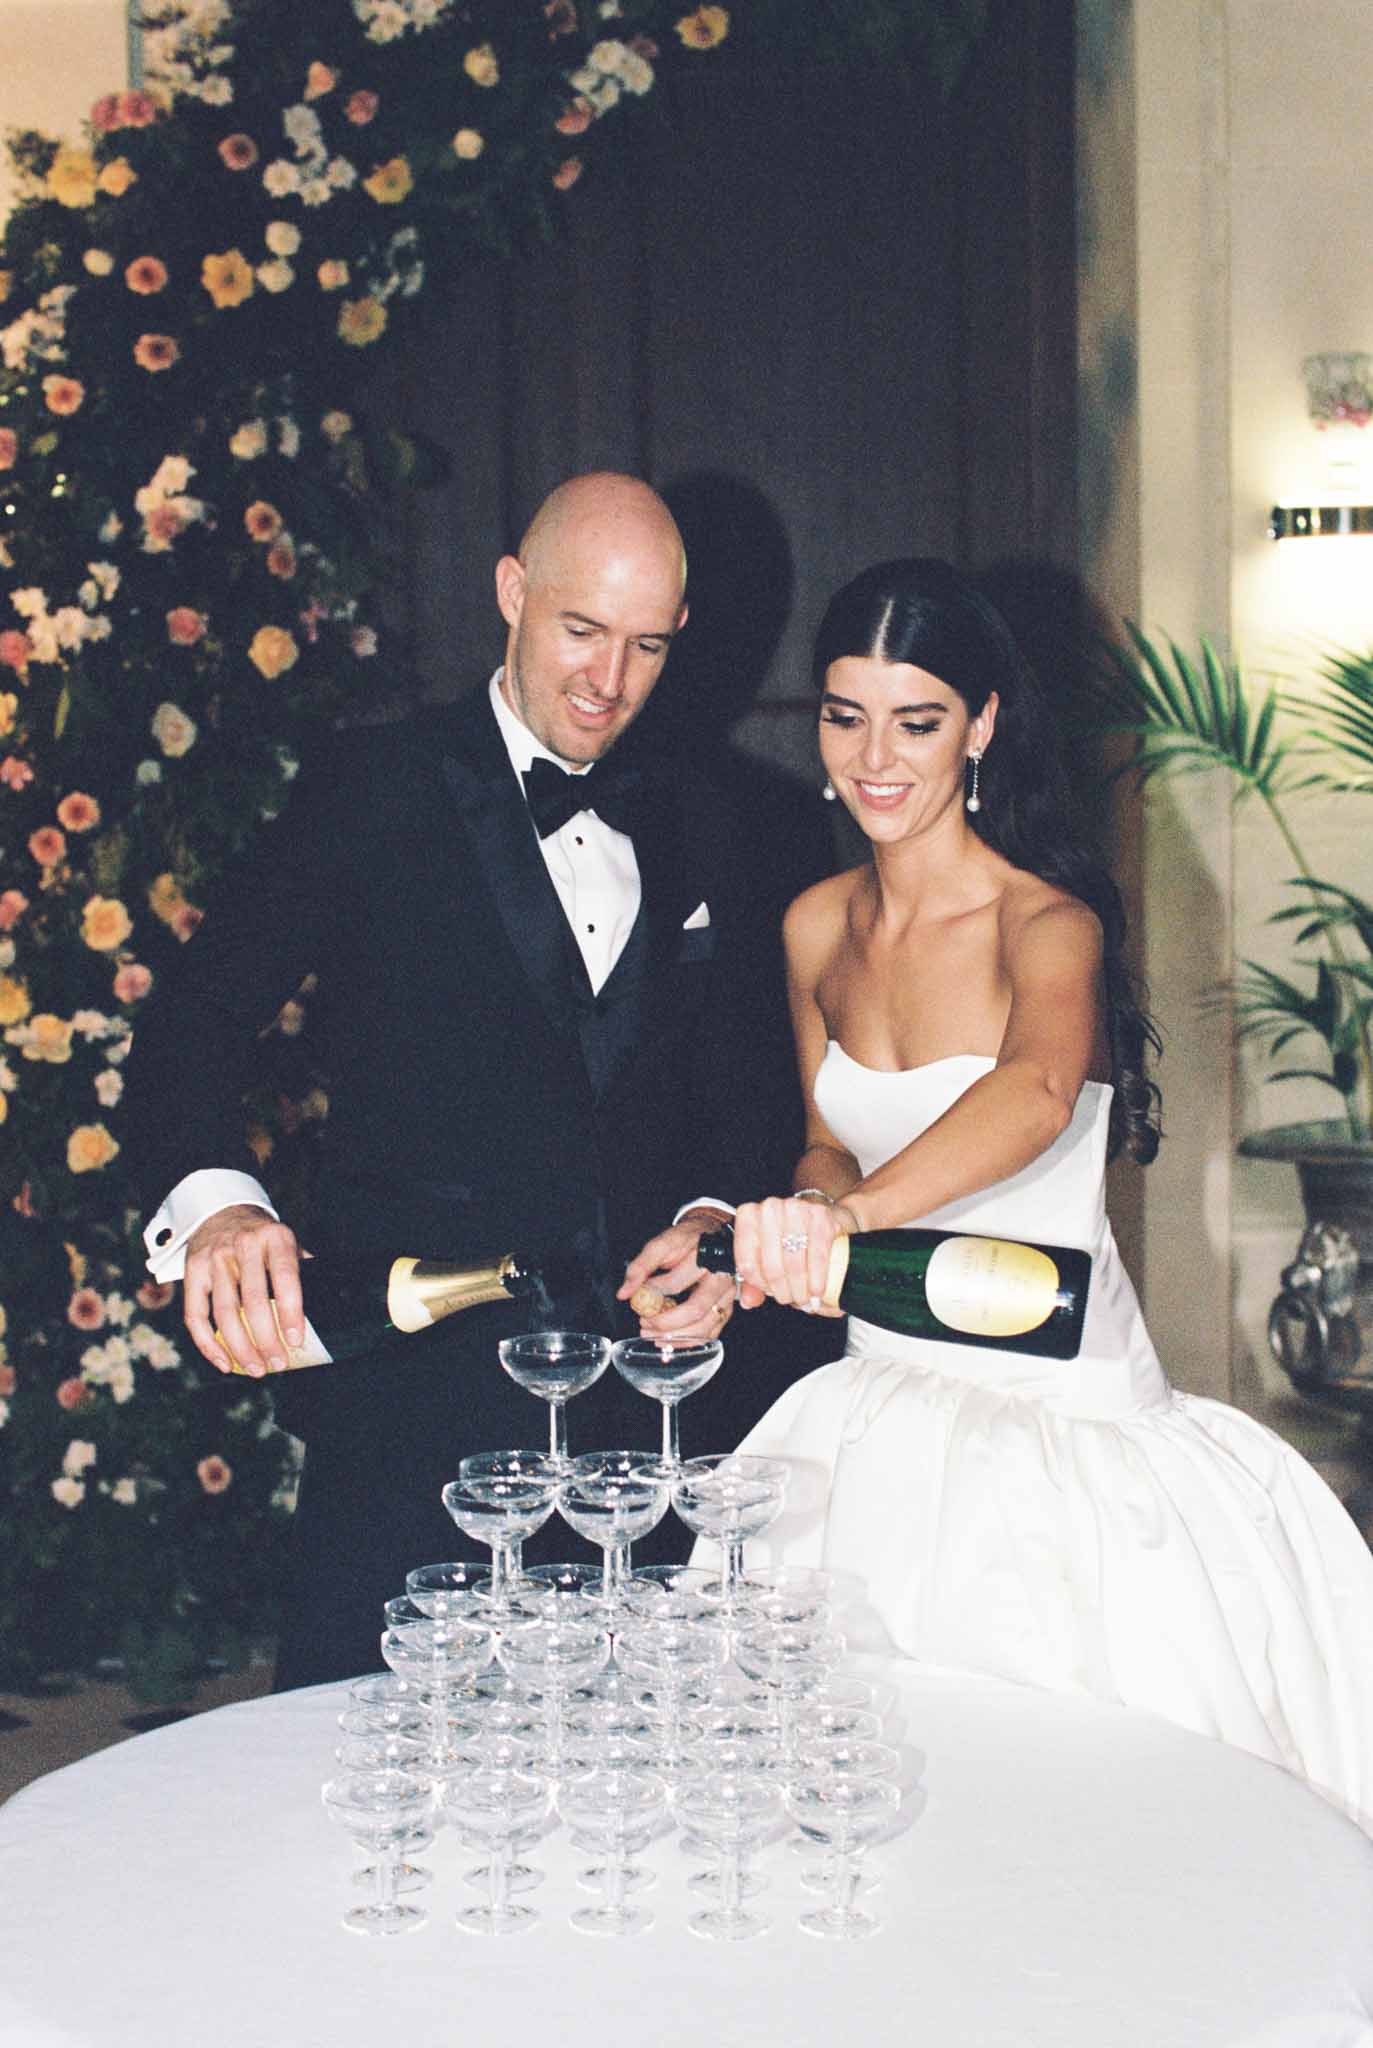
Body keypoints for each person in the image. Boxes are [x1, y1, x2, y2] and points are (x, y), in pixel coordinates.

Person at [625, 556, 1373, 1833]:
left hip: (1057, 1425)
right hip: (870, 1410)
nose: (873, 757)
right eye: (844, 715)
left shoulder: (1048, 924)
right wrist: (771, 1226)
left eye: (914, 721)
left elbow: (1030, 1093)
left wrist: (846, 1220)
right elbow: (826, 1142)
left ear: (977, 725)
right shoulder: (813, 924)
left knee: (1069, 1816)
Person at [125, 471, 822, 1689]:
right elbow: (193, 1016)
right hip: (414, 1409)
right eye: (580, 629)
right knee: (369, 1759)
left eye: (646, 645)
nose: (609, 679)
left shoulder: (716, 819)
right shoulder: (371, 786)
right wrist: (220, 1206)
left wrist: (714, 1219)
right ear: (510, 592)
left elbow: (742, 1091)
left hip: (636, 1436)